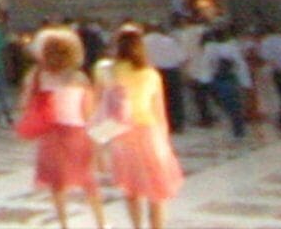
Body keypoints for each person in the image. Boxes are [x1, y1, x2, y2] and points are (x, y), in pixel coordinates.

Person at [20, 26, 104, 229]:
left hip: (50, 134)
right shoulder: (79, 78)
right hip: (77, 133)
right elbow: (90, 113)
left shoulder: (37, 76)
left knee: (57, 184)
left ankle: (64, 223)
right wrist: (100, 146)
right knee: (88, 181)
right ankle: (100, 223)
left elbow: (24, 103)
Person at [100, 25, 182, 229]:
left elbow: (104, 109)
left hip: (123, 134)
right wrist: (166, 144)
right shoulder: (151, 74)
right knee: (157, 189)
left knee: (131, 189)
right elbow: (159, 112)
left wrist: (101, 143)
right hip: (149, 132)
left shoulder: (109, 73)